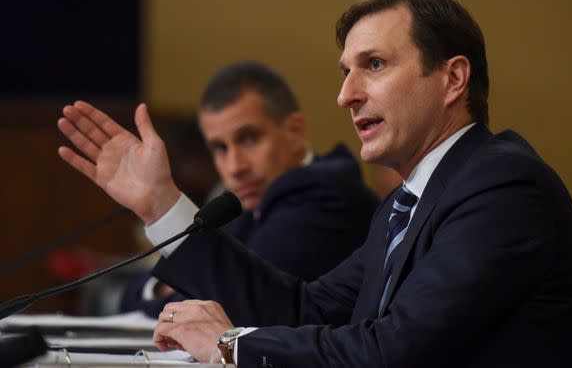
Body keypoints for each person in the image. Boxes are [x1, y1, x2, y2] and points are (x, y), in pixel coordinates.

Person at [62, 0, 572, 366]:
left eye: (373, 65)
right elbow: (307, 310)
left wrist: (230, 346)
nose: (345, 95)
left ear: (452, 78)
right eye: (345, 72)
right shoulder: (414, 199)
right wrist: (162, 204)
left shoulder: (502, 188)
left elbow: (392, 353)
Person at [58, 61, 378, 318]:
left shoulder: (329, 196)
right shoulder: (247, 203)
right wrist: (160, 289)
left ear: (294, 131)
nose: (235, 166)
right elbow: (163, 289)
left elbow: (232, 301)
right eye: (219, 148)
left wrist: (168, 287)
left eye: (249, 139)